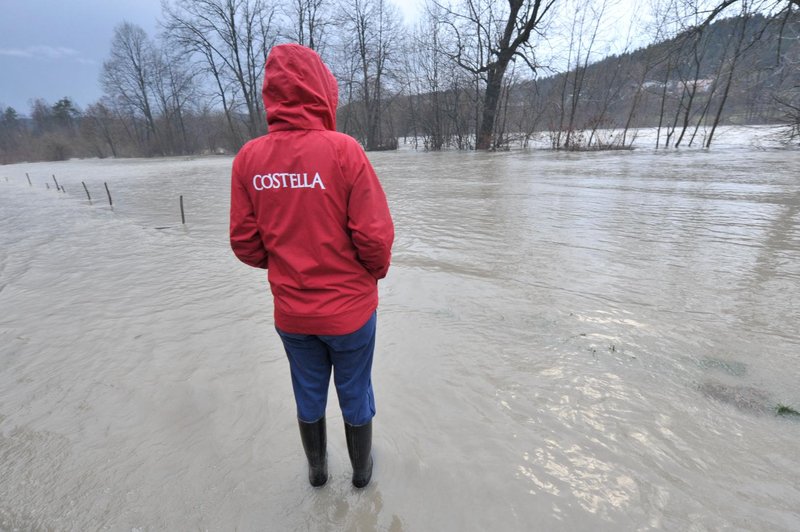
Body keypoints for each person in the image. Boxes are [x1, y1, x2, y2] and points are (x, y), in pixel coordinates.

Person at [229, 43, 394, 489]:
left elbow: (244, 244)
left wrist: (284, 259)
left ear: (271, 94)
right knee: (355, 391)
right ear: (322, 90)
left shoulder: (249, 159)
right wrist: (367, 275)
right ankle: (361, 476)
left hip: (293, 313)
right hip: (350, 312)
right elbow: (375, 239)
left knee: (307, 393)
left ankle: (318, 474)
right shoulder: (344, 151)